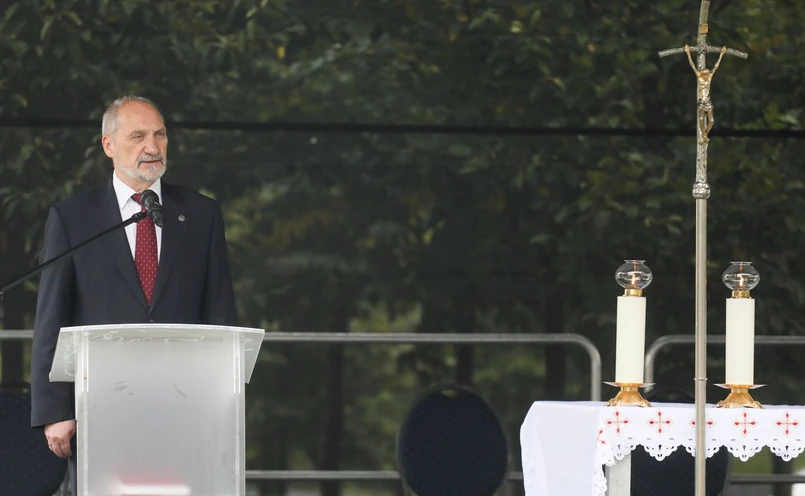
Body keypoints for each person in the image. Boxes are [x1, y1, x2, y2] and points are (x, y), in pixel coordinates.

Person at [30, 96, 238, 495]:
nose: (152, 147)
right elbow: (51, 317)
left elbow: (220, 313)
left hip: (185, 407)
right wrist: (56, 410)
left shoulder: (201, 214)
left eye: (160, 134)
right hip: (98, 407)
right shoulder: (73, 218)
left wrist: (224, 404)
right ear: (108, 145)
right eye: (138, 136)